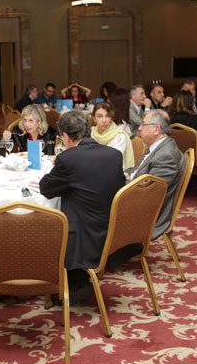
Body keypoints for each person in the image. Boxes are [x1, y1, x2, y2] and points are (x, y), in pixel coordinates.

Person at [39, 111, 125, 302]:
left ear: (66, 136)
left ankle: (68, 281)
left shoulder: (68, 159)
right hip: (111, 230)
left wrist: (57, 166)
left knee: (44, 224)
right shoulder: (114, 155)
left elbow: (46, 189)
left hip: (82, 236)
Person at [126, 109, 184, 239]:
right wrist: (126, 173)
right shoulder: (158, 147)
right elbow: (139, 171)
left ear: (156, 129)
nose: (139, 128)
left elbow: (149, 194)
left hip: (147, 215)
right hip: (138, 201)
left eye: (143, 124)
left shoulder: (166, 156)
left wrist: (121, 182)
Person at [90, 102, 134, 170]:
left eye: (108, 116)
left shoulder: (119, 136)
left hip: (114, 170)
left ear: (111, 118)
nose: (104, 120)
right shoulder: (90, 133)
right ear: (94, 118)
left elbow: (111, 159)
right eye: (99, 116)